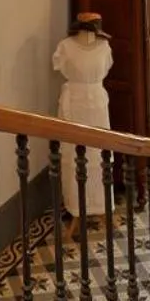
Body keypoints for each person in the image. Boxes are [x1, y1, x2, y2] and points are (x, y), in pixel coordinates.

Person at [52, 12, 114, 233]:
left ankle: (101, 204)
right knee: (74, 153)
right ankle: (77, 206)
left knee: (99, 153)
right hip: (74, 104)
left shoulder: (104, 47)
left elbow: (105, 68)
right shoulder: (65, 47)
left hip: (97, 103)